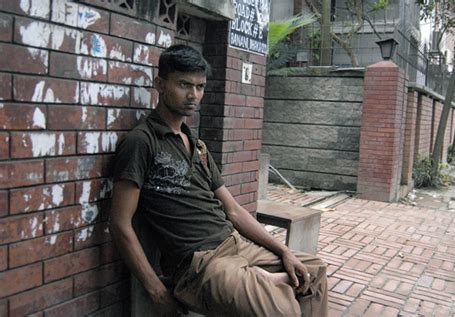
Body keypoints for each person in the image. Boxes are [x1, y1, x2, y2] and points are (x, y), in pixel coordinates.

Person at [109, 44, 328, 316]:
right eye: (184, 84)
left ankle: (265, 280)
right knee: (282, 310)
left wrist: (285, 251)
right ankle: (266, 283)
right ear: (160, 85)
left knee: (313, 271)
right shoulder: (142, 142)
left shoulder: (197, 147)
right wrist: (155, 289)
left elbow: (234, 211)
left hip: (236, 246)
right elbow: (119, 222)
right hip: (202, 262)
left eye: (200, 87)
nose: (193, 95)